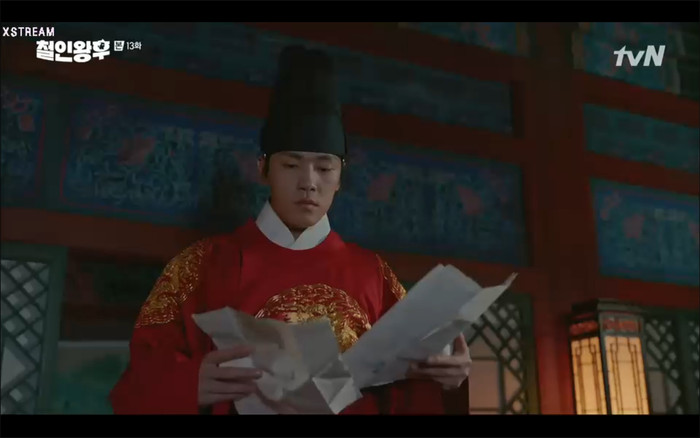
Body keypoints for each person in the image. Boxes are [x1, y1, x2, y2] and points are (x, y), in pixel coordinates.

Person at [109, 45, 471, 415]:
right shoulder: (199, 266)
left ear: (340, 176)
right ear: (263, 168)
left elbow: (412, 390)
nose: (308, 183)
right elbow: (137, 382)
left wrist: (447, 378)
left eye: (324, 168)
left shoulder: (376, 276)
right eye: (291, 166)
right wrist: (189, 385)